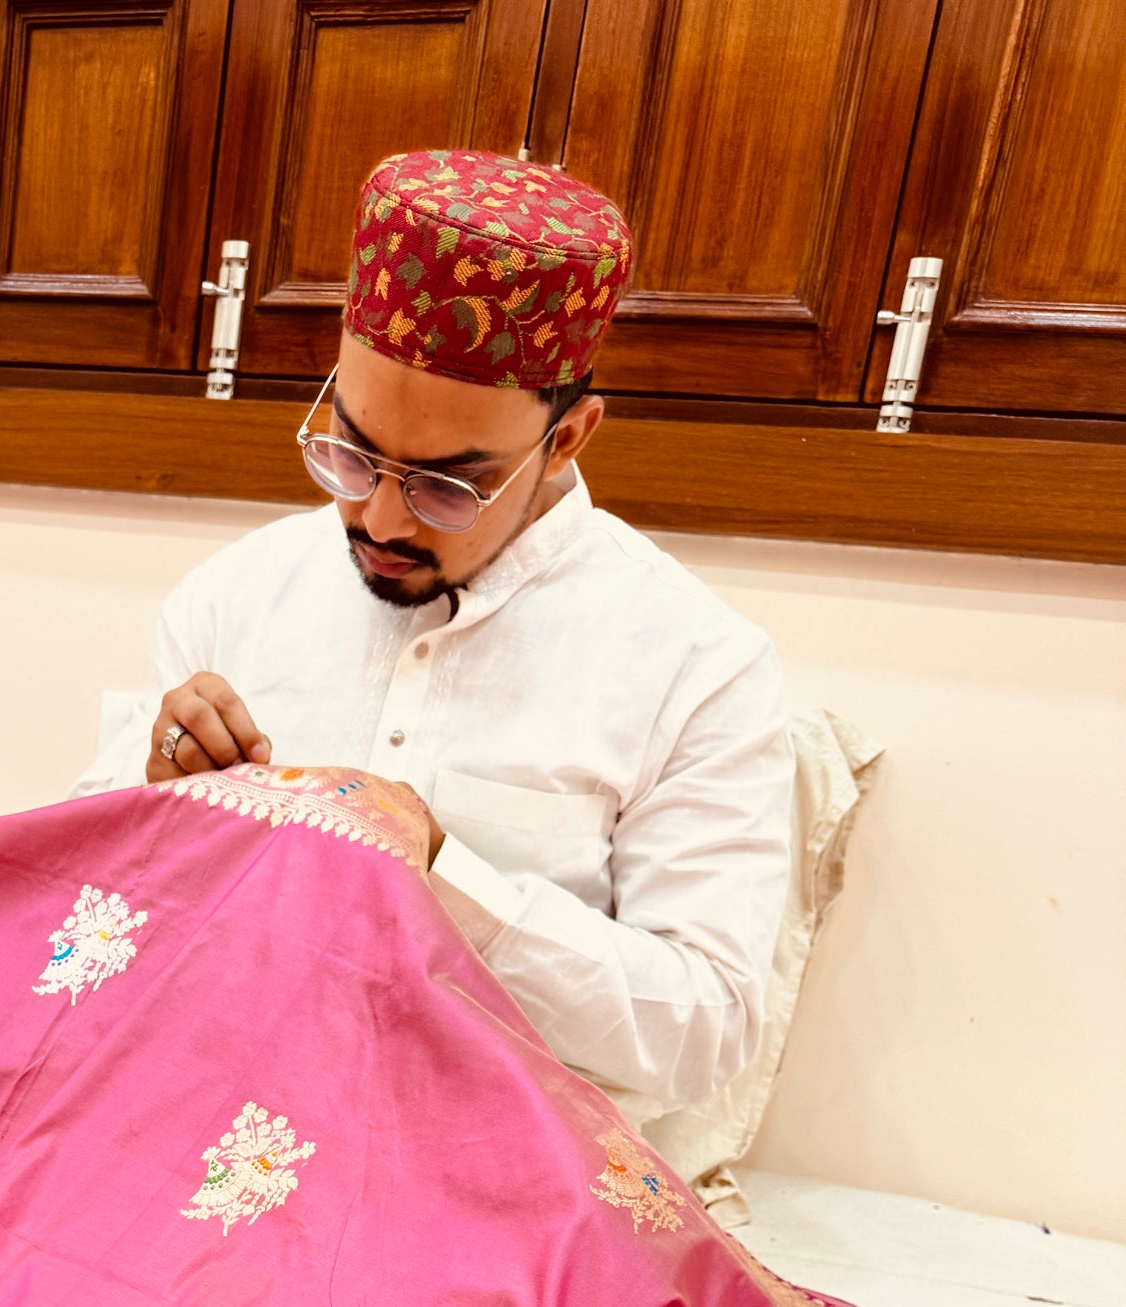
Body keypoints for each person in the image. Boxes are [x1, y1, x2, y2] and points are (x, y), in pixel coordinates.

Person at [74, 149, 795, 1115]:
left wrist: (443, 875)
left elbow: (705, 1033)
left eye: (447, 485)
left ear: (568, 438)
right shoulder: (237, 593)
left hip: (486, 1156)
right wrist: (157, 801)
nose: (379, 519)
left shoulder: (698, 669)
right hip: (194, 1106)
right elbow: (74, 898)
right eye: (352, 452)